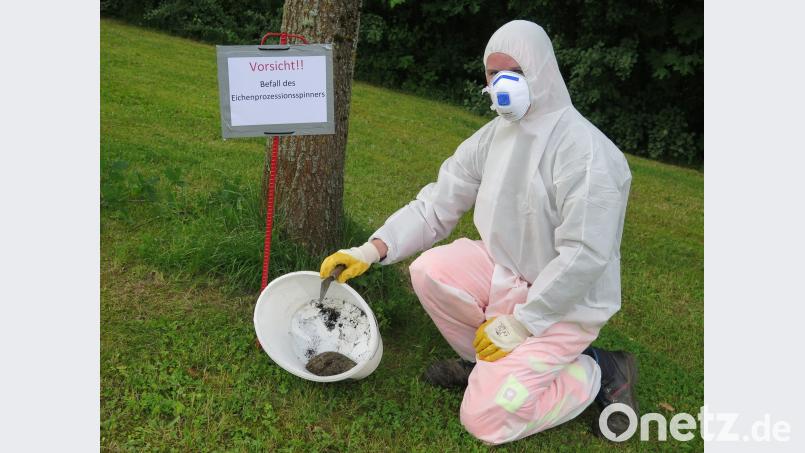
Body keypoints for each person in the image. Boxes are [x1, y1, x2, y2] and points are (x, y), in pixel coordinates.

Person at [319, 19, 636, 445]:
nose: (502, 83)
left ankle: (597, 370)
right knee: (429, 270)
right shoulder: (494, 136)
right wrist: (371, 249)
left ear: (543, 71)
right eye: (493, 73)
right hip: (507, 271)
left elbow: (585, 256)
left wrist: (523, 324)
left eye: (516, 72)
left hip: (566, 303)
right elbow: (437, 204)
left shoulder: (588, 154)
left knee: (485, 420)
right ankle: (487, 365)